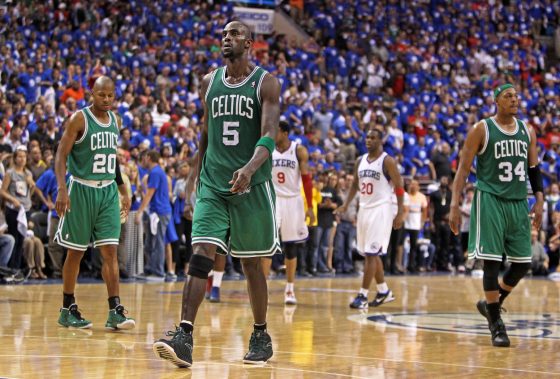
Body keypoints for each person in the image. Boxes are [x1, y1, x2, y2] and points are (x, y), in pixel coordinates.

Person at [153, 21, 281, 368]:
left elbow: (269, 135)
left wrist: (250, 168)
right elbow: (206, 131)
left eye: (235, 34)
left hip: (251, 186)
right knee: (201, 253)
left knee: (252, 264)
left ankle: (260, 333)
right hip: (213, 182)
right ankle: (184, 336)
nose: (227, 38)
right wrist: (195, 172)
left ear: (249, 43)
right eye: (224, 34)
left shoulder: (266, 83)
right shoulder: (209, 81)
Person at [450, 83, 543, 348]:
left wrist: (539, 197)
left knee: (523, 264)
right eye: (508, 96)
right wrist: (455, 205)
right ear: (496, 101)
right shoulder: (481, 129)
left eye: (516, 95)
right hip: (489, 199)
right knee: (491, 263)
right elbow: (463, 169)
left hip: (517, 201)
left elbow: (534, 168)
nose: (514, 99)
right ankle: (496, 324)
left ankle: (492, 302)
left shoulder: (528, 131)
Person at [54, 76, 135, 330]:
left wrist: (123, 189)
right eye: (102, 95)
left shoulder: (116, 121)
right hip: (81, 189)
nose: (107, 99)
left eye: (111, 95)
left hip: (108, 191)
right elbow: (60, 155)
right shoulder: (79, 119)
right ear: (92, 94)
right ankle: (67, 308)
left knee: (110, 251)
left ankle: (115, 311)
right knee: (76, 252)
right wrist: (62, 188)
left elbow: (112, 159)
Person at [336, 128, 405, 309]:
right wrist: (345, 204)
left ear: (380, 141)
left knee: (372, 253)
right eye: (367, 137)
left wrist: (400, 212)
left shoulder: (387, 161)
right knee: (370, 253)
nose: (368, 140)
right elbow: (354, 185)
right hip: (364, 209)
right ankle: (383, 291)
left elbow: (399, 186)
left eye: (373, 137)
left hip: (381, 209)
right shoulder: (360, 161)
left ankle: (363, 296)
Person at [265, 120, 314, 305]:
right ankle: (262, 288)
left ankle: (290, 289)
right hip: (274, 199)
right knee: (267, 244)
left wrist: (310, 207)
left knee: (291, 246)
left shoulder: (298, 150)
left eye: (275, 131)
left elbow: (307, 180)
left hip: (293, 200)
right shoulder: (268, 149)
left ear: (284, 133)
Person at [135, 150, 171, 281]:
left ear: (148, 157)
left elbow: (150, 194)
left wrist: (139, 212)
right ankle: (150, 268)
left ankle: (158, 272)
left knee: (158, 242)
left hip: (160, 212)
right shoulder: (156, 172)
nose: (142, 161)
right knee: (150, 242)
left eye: (143, 158)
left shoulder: (155, 172)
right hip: (155, 212)